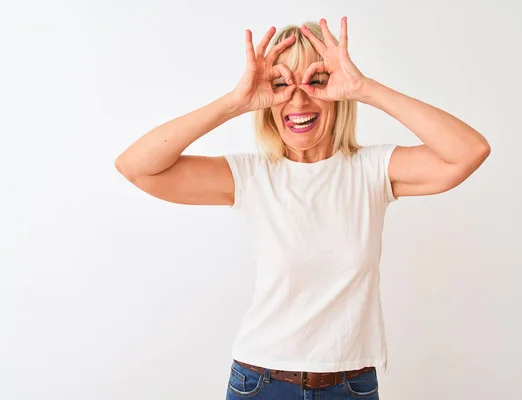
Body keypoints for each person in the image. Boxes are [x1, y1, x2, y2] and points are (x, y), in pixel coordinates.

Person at [115, 17, 490, 400]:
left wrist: (365, 89)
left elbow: (467, 152)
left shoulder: (372, 171)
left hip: (350, 387)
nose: (297, 100)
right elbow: (136, 167)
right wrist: (233, 103)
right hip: (260, 384)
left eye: (318, 82)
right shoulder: (253, 175)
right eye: (281, 85)